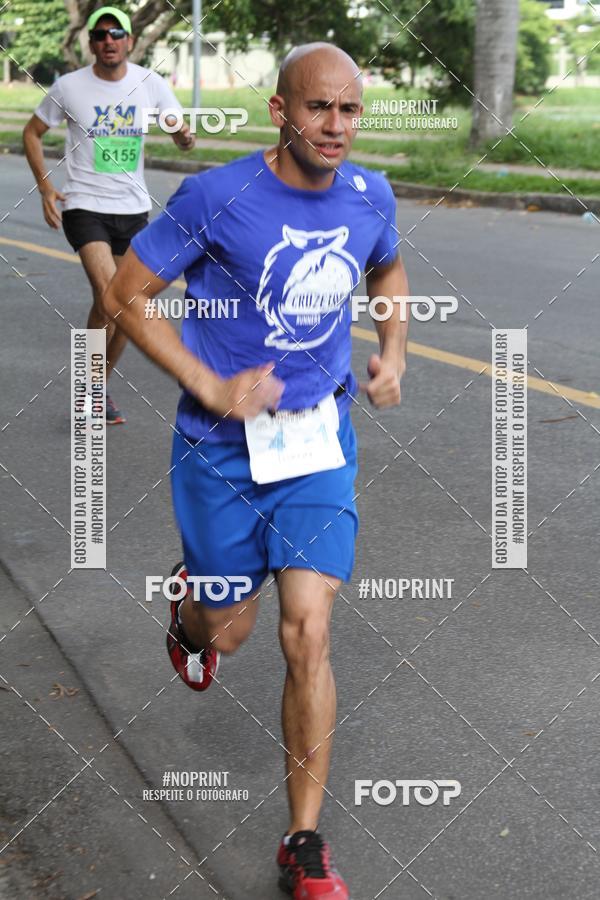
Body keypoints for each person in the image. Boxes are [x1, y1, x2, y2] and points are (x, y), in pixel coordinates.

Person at [104, 42, 409, 899]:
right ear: (281, 111)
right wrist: (207, 382)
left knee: (306, 628)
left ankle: (302, 843)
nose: (337, 127)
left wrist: (391, 350)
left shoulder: (368, 194)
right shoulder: (217, 194)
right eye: (320, 108)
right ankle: (192, 611)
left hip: (318, 442)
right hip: (219, 449)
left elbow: (385, 264)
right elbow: (130, 291)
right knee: (227, 630)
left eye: (351, 110)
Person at [22, 5, 194, 423]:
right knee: (110, 298)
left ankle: (97, 388)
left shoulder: (149, 83)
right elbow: (32, 132)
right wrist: (46, 186)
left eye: (117, 33)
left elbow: (179, 130)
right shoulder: (69, 87)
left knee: (126, 306)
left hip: (133, 210)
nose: (109, 41)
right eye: (100, 35)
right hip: (84, 206)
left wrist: (183, 136)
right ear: (92, 43)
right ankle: (88, 388)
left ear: (130, 41)